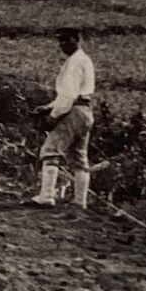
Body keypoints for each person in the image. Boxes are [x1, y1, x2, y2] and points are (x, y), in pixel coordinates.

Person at [26, 27, 96, 209]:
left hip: (72, 110)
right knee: (79, 156)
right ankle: (80, 201)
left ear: (77, 39)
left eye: (67, 40)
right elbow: (70, 95)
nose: (63, 45)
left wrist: (53, 116)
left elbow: (68, 96)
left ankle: (46, 196)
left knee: (50, 151)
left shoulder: (74, 63)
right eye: (61, 41)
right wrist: (49, 106)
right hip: (85, 111)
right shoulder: (84, 60)